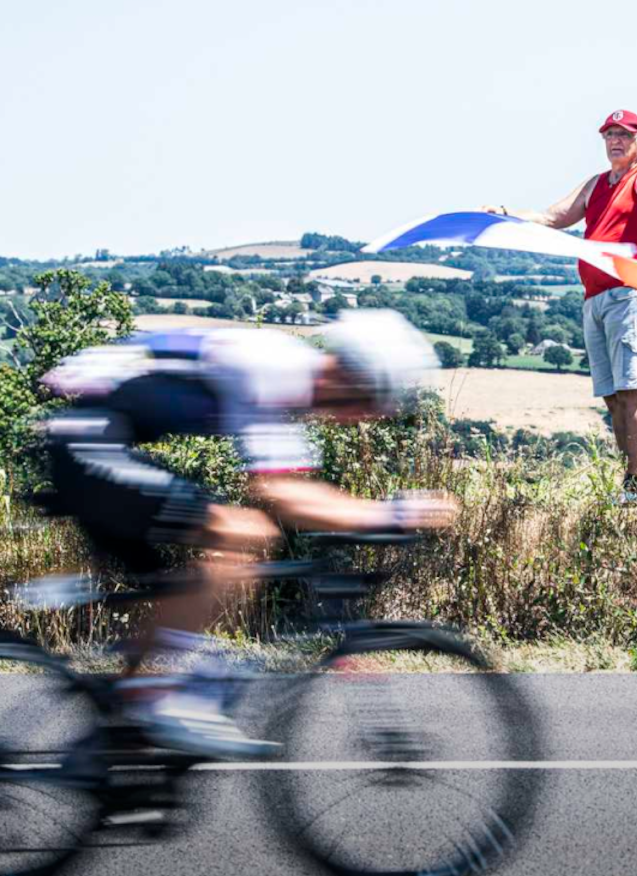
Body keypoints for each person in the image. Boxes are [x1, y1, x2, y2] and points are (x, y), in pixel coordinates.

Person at [41, 311, 456, 755]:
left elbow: (302, 491)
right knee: (242, 531)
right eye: (373, 401)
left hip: (97, 441)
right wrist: (389, 516)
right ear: (351, 376)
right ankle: (180, 695)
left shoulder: (293, 393)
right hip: (87, 440)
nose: (367, 417)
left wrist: (373, 515)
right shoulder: (279, 371)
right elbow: (281, 495)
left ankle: (120, 727)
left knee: (174, 591)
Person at [483, 73, 637, 504]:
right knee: (612, 398)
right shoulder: (596, 184)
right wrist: (506, 214)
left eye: (624, 135)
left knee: (632, 391)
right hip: (594, 301)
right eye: (609, 135)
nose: (615, 141)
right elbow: (554, 216)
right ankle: (628, 482)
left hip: (629, 296)